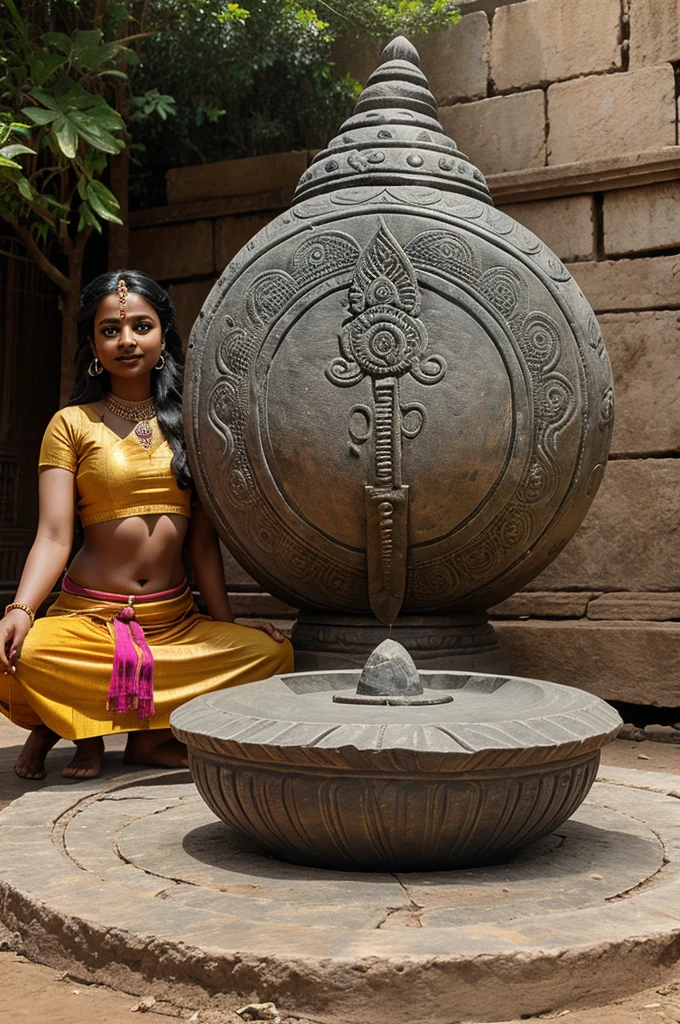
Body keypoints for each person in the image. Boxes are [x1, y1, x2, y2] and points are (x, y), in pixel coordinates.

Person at [0, 270, 293, 781]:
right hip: (89, 622)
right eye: (110, 330)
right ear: (92, 344)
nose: (127, 341)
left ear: (163, 338)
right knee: (31, 652)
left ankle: (141, 738)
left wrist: (224, 624)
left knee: (272, 654)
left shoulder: (195, 425)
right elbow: (53, 534)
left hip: (173, 624)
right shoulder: (70, 424)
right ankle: (77, 729)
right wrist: (22, 609)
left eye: (141, 326)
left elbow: (203, 547)